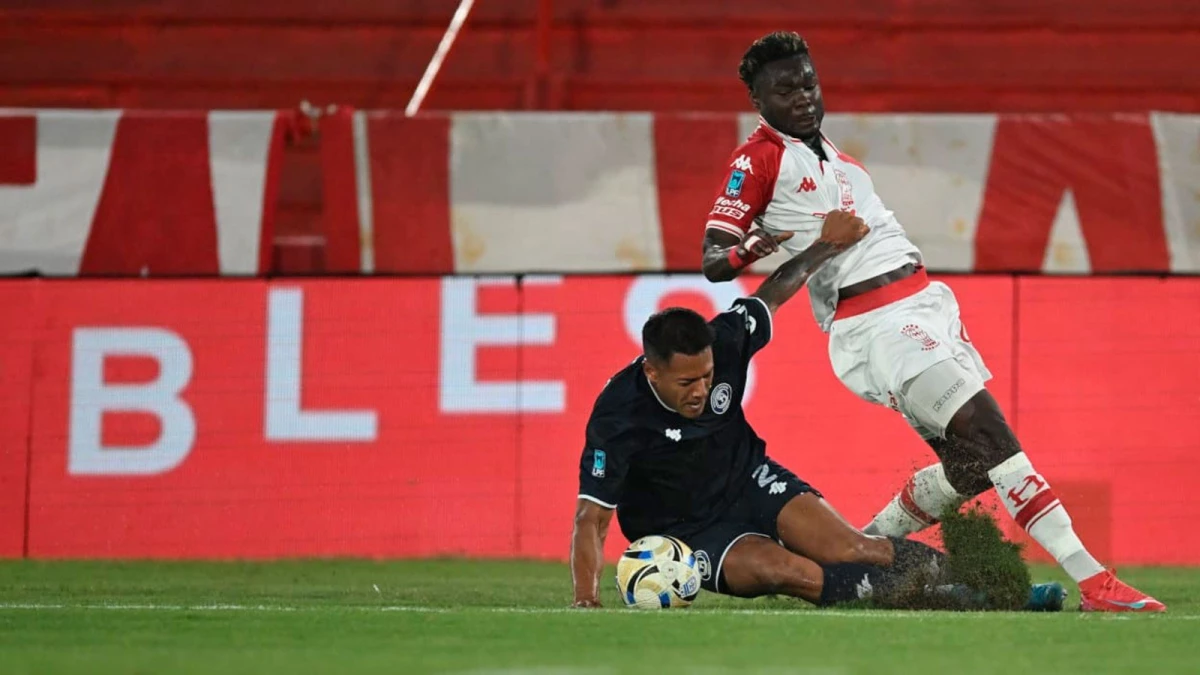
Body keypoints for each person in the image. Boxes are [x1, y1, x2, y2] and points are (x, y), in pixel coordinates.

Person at [698, 31, 1163, 612]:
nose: (803, 96)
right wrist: (773, 246)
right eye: (784, 88)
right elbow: (714, 259)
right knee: (994, 439)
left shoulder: (831, 153)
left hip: (925, 306)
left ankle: (857, 549)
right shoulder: (758, 157)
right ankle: (1094, 582)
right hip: (879, 324)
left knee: (968, 469)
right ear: (758, 101)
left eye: (808, 82)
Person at [570, 211, 1059, 611]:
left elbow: (774, 291)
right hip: (686, 530)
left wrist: (826, 244)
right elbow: (591, 519)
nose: (701, 390)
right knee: (792, 573)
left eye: (707, 376)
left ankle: (1001, 590)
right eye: (686, 383)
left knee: (853, 547)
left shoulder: (726, 341)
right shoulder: (619, 415)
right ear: (652, 373)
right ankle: (949, 600)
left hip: (747, 479)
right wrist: (586, 601)